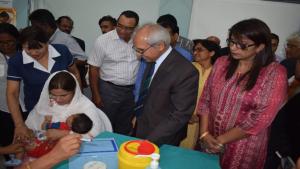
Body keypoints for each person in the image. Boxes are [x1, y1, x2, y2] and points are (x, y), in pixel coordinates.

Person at [197, 18, 287, 169]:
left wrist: (220, 140)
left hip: (244, 146)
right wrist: (204, 134)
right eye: (231, 42)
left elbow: (260, 118)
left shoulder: (274, 73)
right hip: (208, 139)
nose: (233, 48)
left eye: (242, 45)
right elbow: (206, 99)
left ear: (260, 47)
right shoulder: (221, 63)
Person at [6, 26, 81, 141]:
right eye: (28, 49)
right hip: (37, 110)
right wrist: (19, 125)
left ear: (47, 42)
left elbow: (75, 74)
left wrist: (77, 99)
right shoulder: (17, 60)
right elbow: (12, 93)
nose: (34, 53)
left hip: (67, 107)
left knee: (68, 140)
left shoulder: (62, 51)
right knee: (41, 143)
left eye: (38, 48)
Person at [133, 23, 199, 146]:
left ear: (160, 46)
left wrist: (150, 140)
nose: (138, 55)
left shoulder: (186, 71)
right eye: (136, 49)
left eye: (141, 50)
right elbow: (147, 95)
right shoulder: (151, 59)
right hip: (142, 127)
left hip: (164, 137)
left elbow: (180, 114)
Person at [88, 10, 139, 135]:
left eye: (128, 28)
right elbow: (93, 68)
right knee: (105, 124)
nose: (122, 31)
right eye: (120, 26)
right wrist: (95, 94)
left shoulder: (139, 39)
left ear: (135, 27)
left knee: (125, 125)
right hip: (109, 90)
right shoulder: (103, 41)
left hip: (132, 91)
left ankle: (120, 151)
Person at [25, 71, 112, 141]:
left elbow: (94, 134)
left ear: (74, 91)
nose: (58, 100)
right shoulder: (45, 104)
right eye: (53, 95)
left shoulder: (85, 106)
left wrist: (63, 134)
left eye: (63, 95)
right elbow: (31, 127)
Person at [180, 39, 220, 149]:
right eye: (194, 50)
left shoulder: (217, 72)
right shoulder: (188, 67)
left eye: (200, 50)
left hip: (206, 120)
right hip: (185, 115)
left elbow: (216, 99)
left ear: (211, 53)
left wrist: (200, 116)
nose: (195, 52)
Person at [0, 23, 22, 153]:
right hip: (4, 109)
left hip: (25, 108)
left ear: (17, 40)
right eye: (1, 43)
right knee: (8, 142)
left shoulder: (26, 55)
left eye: (10, 42)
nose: (5, 46)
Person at [56, 15, 88, 88]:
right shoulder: (50, 40)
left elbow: (83, 61)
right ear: (57, 25)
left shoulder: (79, 42)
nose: (67, 29)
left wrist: (66, 60)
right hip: (55, 79)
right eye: (64, 26)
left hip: (74, 79)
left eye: (70, 27)